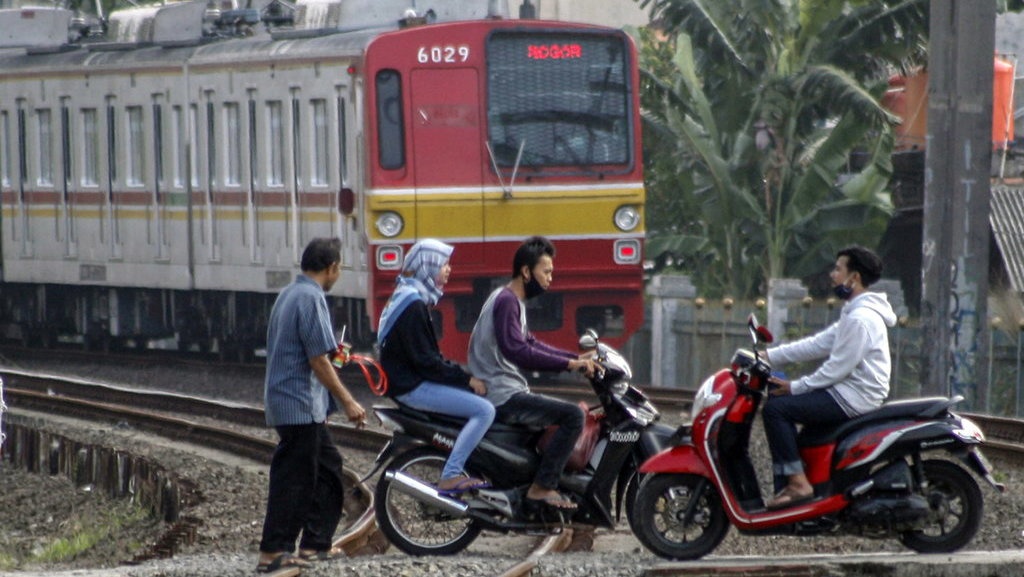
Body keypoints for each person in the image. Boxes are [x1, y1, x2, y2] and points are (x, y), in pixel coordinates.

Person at [257, 237, 367, 573]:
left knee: (329, 469)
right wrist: (348, 401)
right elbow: (318, 360)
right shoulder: (311, 298)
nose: (339, 274)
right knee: (295, 479)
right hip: (298, 403)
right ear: (331, 267)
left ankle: (314, 545)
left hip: (294, 402)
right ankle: (274, 551)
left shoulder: (290, 294)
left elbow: (316, 352)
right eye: (340, 268)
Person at [762, 245, 897, 509]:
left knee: (776, 410)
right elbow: (818, 344)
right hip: (847, 391)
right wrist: (768, 356)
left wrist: (795, 387)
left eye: (838, 269)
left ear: (854, 277)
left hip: (855, 396)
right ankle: (806, 489)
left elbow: (837, 368)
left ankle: (798, 485)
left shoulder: (861, 318)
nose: (832, 275)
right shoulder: (853, 312)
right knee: (795, 422)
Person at [468, 236, 597, 511]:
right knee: (573, 416)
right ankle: (542, 487)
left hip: (504, 389)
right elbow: (518, 351)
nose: (550, 278)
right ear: (526, 272)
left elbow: (531, 343)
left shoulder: (510, 300)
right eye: (546, 272)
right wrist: (569, 365)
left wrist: (575, 359)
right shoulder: (507, 301)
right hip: (502, 394)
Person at [377, 239, 495, 493]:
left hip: (406, 381)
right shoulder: (413, 305)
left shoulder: (405, 295)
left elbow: (427, 358)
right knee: (484, 410)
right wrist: (466, 379)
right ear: (427, 266)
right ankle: (451, 474)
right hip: (412, 386)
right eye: (443, 264)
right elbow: (427, 361)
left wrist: (460, 374)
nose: (449, 269)